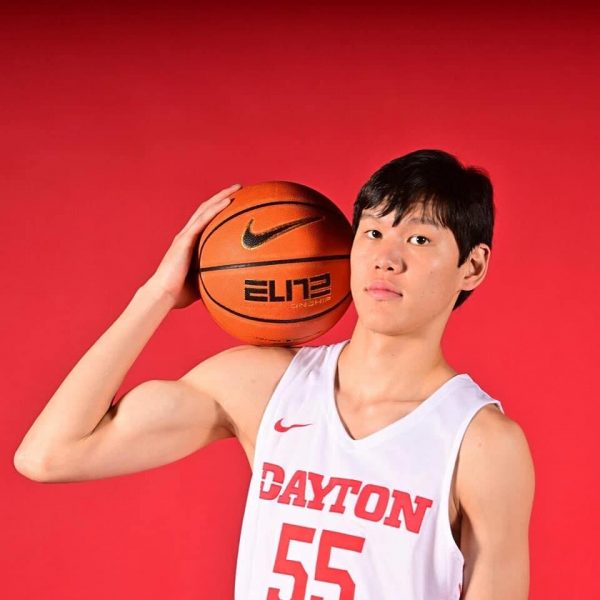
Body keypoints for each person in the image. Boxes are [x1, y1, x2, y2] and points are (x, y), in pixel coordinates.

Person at [14, 149, 535, 599]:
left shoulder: (480, 443)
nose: (386, 259)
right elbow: (49, 455)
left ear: (472, 266)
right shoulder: (264, 385)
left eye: (419, 240)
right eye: (374, 232)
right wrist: (157, 294)